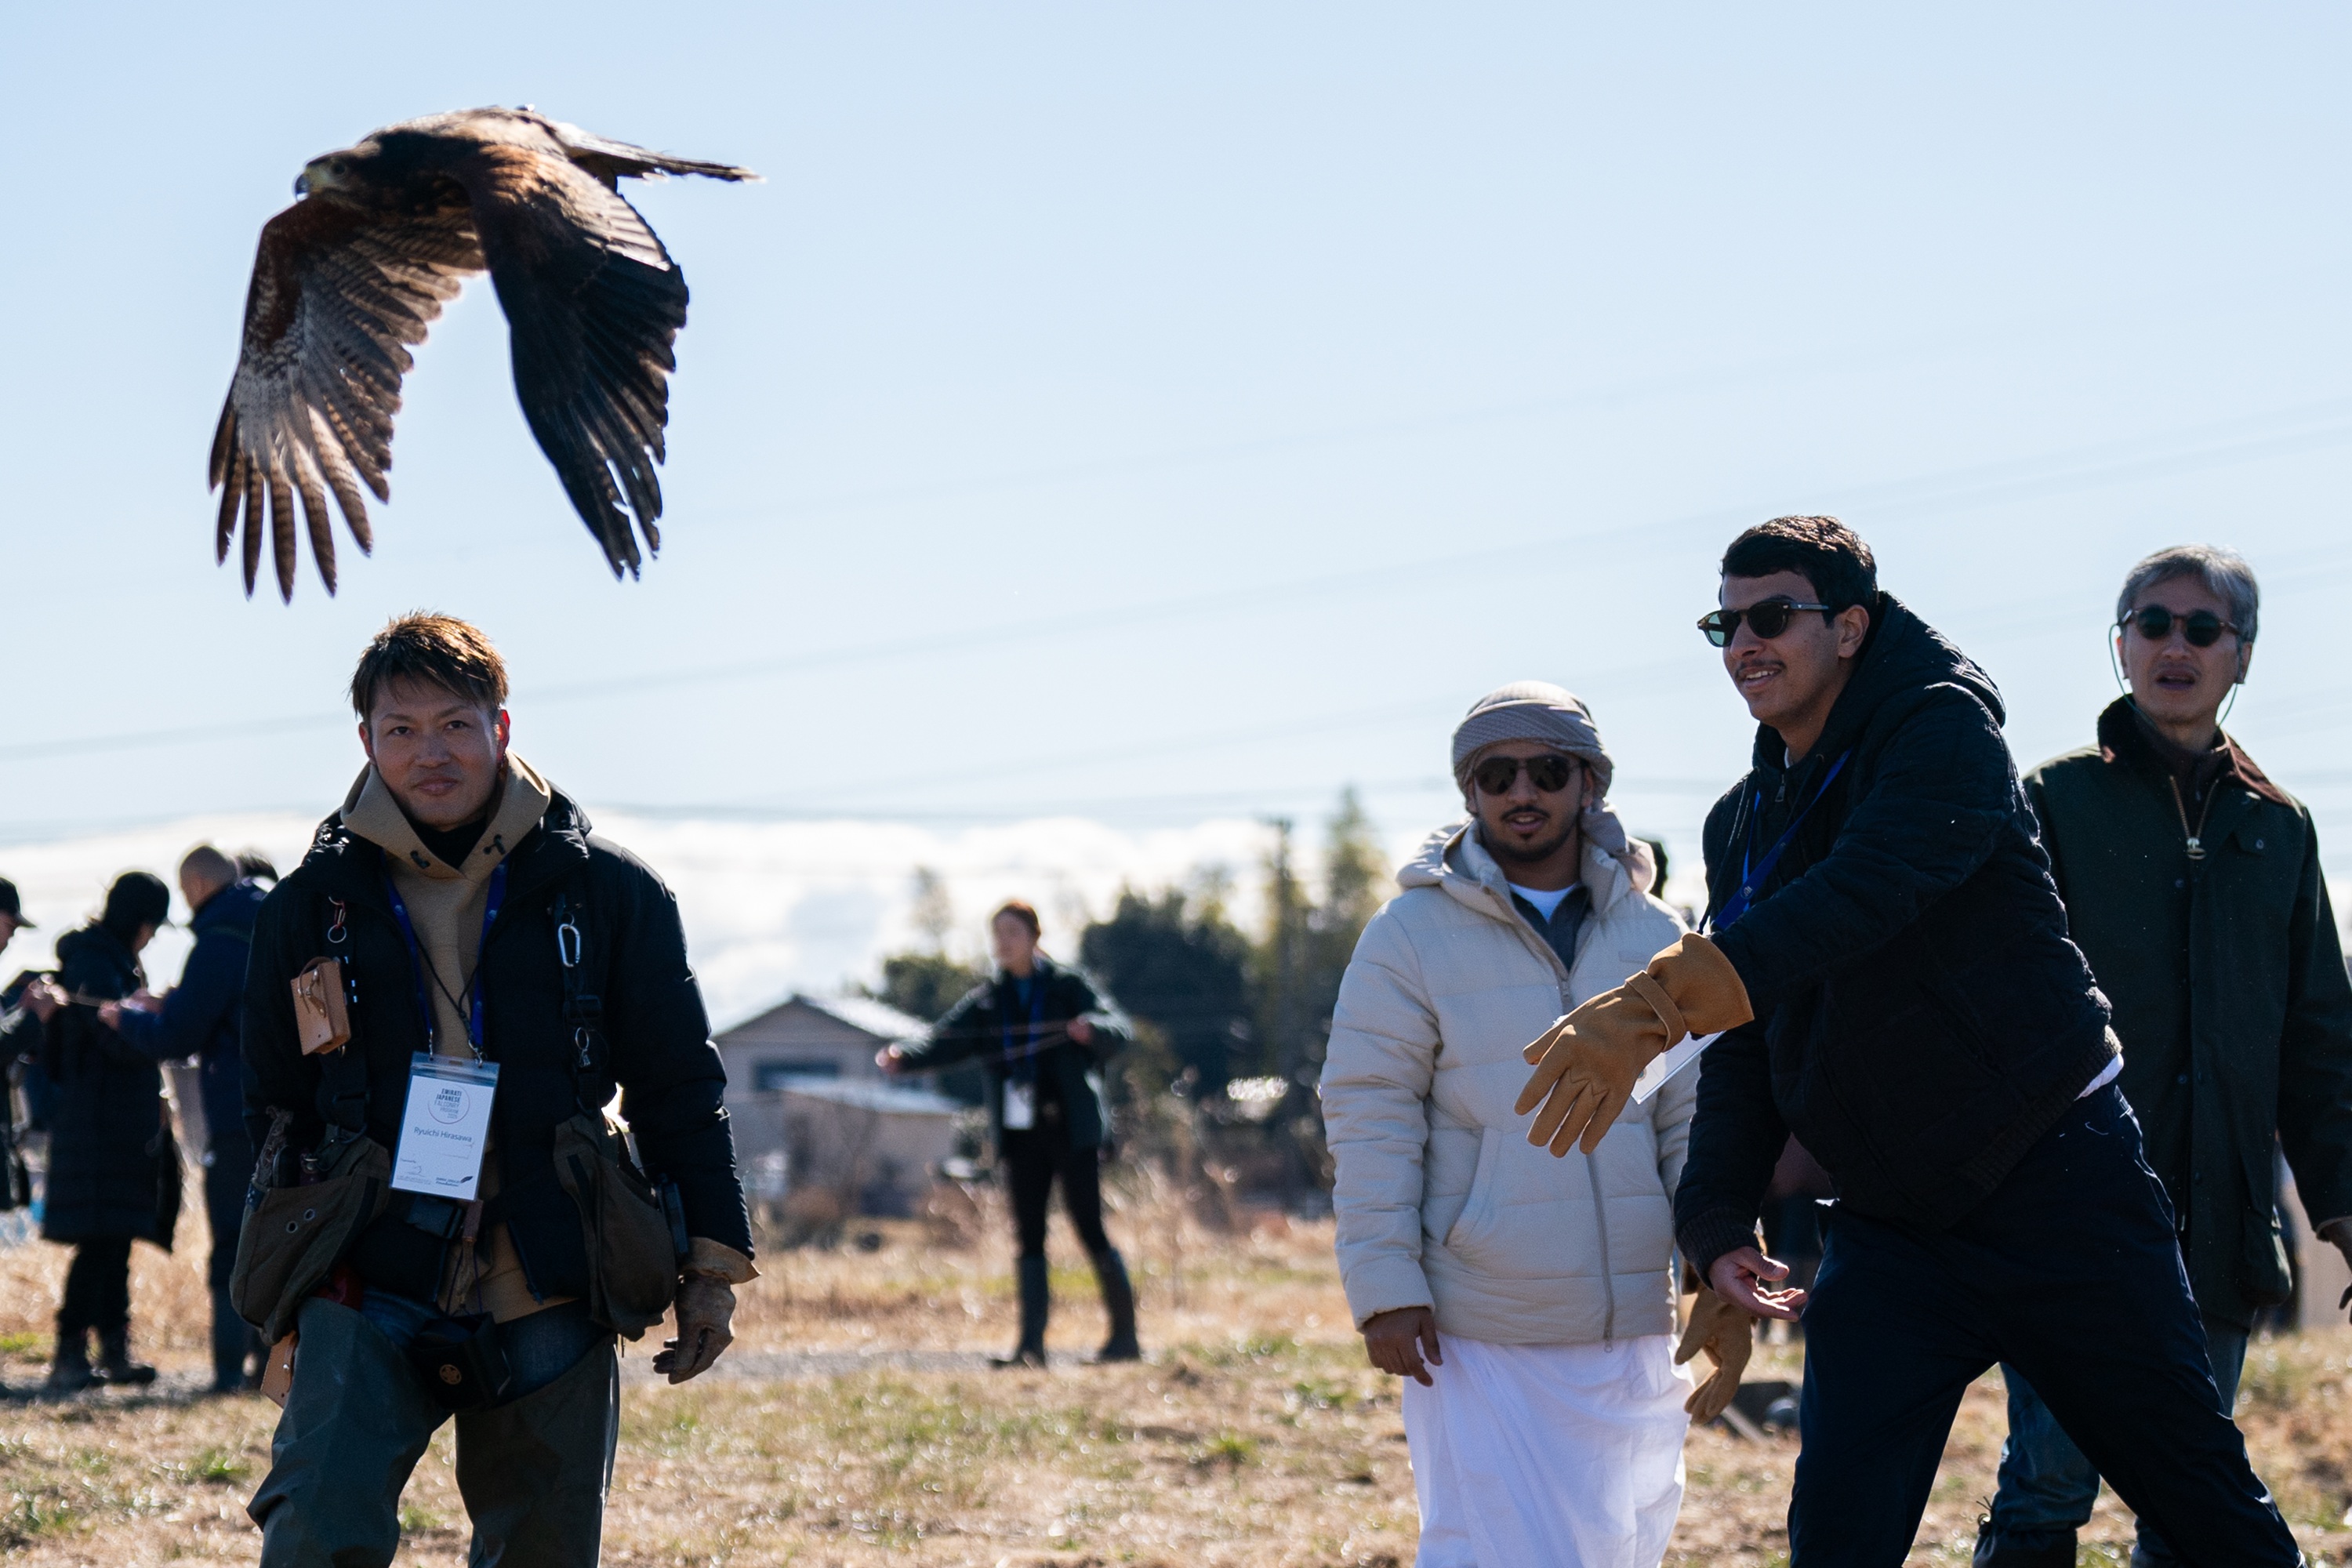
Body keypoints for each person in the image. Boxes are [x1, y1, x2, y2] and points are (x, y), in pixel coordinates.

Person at [1516, 516, 2300, 1563]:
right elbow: (1753, 1034)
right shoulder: (1746, 821)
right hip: (1894, 1226)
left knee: (2207, 1516)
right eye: (1726, 623)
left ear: (1849, 628)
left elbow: (1865, 894)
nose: (1745, 643)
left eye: (1773, 617)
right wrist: (1713, 1230)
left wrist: (1658, 1002)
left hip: (2061, 1190)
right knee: (1837, 1539)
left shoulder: (1945, 737)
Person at [238, 613, 754, 1567]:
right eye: (401, 729)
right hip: (367, 1266)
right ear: (366, 742)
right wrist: (278, 1291)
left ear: (502, 728)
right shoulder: (310, 904)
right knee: (312, 1533)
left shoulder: (609, 891)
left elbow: (680, 1085)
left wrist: (711, 1270)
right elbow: (274, 1107)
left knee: (544, 1552)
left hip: (550, 1262)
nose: (430, 752)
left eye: (454, 724)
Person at [1973, 546, 2352, 1567]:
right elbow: (1988, 1009)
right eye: (2152, 623)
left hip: (2221, 1225)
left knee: (2189, 1496)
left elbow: (2321, 1047)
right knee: (2045, 1488)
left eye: (2202, 628)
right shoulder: (2053, 803)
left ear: (2243, 655)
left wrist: (2344, 1209)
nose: (2173, 646)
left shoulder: (2280, 831)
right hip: (2073, 1221)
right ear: (2120, 644)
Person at [1320, 683, 1707, 1568]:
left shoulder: (1657, 935)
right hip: (1481, 1318)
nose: (1520, 790)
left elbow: (1691, 1113)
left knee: (1622, 1545)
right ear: (1469, 792)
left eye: (1546, 769)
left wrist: (1717, 1249)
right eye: (1496, 773)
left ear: (1590, 783)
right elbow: (1369, 1110)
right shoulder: (1409, 934)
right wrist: (1384, 1284)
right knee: (1495, 1546)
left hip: (1634, 1321)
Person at [879, 901, 1137, 1367]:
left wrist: (1091, 1030)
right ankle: (1030, 1348)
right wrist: (905, 1057)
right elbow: (943, 1040)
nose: (1003, 941)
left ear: (1035, 937)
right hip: (1022, 1135)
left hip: (1073, 1131)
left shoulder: (1067, 987)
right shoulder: (988, 1001)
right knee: (1029, 1236)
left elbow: (1119, 1028)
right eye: (997, 932)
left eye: (1012, 932)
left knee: (1089, 1228)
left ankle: (1125, 1341)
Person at [99, 845, 272, 1392]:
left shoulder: (219, 940)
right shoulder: (273, 921)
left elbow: (179, 1036)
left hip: (238, 1115)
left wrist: (123, 1018)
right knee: (281, 1241)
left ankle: (227, 1370)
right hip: (291, 1114)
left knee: (232, 1244)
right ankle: (272, 1366)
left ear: (195, 886)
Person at [39, 871, 179, 1391]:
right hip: (100, 1127)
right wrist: (151, 1021)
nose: (153, 936)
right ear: (140, 921)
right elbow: (111, 1039)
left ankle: (111, 1350)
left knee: (114, 1240)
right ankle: (71, 1352)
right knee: (101, 1242)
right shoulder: (98, 964)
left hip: (107, 1124)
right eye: (153, 925)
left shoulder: (102, 959)